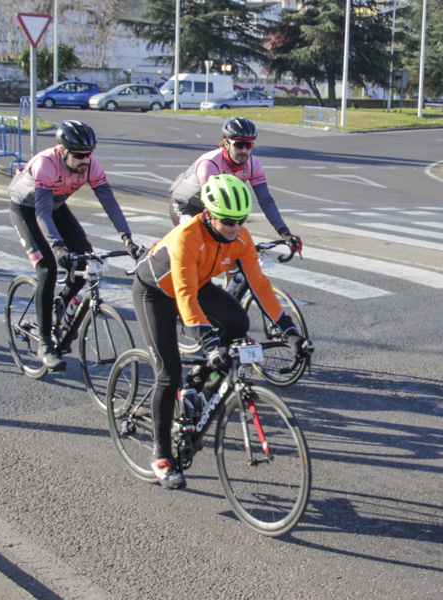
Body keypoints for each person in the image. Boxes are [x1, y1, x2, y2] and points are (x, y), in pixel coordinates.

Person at [132, 173, 310, 489]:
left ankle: (196, 385)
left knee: (238, 322)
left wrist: (291, 332)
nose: (234, 226)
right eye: (227, 219)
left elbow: (260, 286)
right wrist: (209, 343)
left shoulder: (241, 239)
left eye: (240, 219)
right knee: (167, 373)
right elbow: (184, 295)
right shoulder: (187, 235)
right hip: (156, 292)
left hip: (195, 284)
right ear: (210, 214)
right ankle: (161, 454)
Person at [8, 120, 141, 371]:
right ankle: (45, 343)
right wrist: (58, 248)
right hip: (28, 210)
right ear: (62, 150)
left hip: (56, 207)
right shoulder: (45, 165)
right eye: (79, 155)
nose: (85, 160)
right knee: (47, 269)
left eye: (89, 154)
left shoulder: (91, 166)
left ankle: (61, 302)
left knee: (85, 261)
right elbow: (42, 213)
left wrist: (127, 238)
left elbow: (109, 203)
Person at [169, 117, 302, 255]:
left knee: (234, 254)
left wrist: (284, 232)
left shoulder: (253, 164)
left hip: (218, 209)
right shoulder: (209, 164)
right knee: (198, 246)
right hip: (186, 204)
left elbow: (265, 199)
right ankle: (158, 258)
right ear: (226, 143)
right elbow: (213, 202)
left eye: (248, 145)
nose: (244, 150)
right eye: (239, 145)